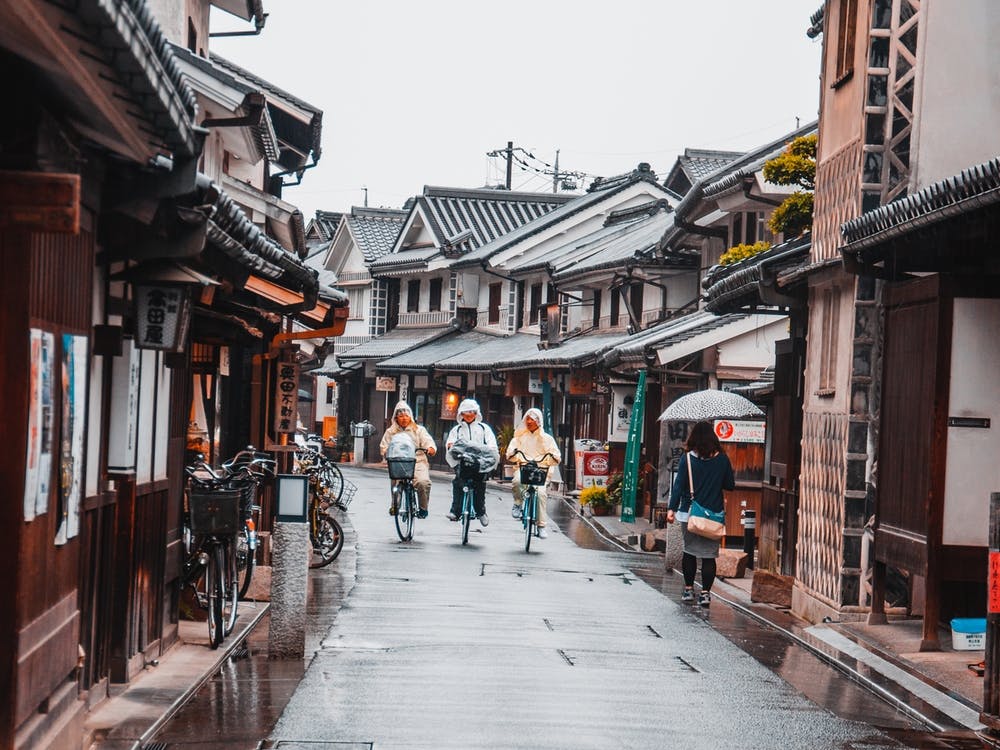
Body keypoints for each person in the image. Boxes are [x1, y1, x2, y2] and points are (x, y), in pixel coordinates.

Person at [666, 420, 735, 608]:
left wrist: (671, 509)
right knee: (708, 556)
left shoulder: (687, 459)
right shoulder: (722, 459)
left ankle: (688, 589)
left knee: (689, 552)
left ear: (693, 438)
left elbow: (678, 486)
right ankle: (705, 594)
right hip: (713, 514)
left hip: (689, 513)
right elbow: (730, 484)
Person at [506, 407, 561, 539]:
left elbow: (556, 454)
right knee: (517, 481)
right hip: (524, 468)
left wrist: (554, 457)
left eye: (533, 419)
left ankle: (541, 526)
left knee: (541, 493)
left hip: (541, 471)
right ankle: (518, 504)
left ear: (538, 421)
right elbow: (511, 451)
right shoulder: (520, 437)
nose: (529, 422)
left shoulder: (547, 439)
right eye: (528, 419)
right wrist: (513, 453)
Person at [445, 398, 498, 526]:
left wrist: (489, 451)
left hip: (479, 464)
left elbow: (492, 445)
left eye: (471, 412)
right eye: (465, 413)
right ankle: (456, 512)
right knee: (458, 482)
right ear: (461, 414)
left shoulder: (484, 429)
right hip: (463, 463)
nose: (468, 415)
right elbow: (450, 444)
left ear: (476, 413)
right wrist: (451, 446)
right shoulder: (456, 430)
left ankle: (480, 512)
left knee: (480, 484)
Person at [379, 401, 437, 518]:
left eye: (406, 415)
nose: (404, 418)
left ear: (410, 416)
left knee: (423, 483)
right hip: (398, 462)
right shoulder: (391, 432)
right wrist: (386, 452)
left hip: (418, 461)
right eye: (401, 416)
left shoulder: (419, 430)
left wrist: (430, 449)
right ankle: (395, 505)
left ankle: (423, 508)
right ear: (396, 417)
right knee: (396, 482)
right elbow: (384, 446)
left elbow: (428, 442)